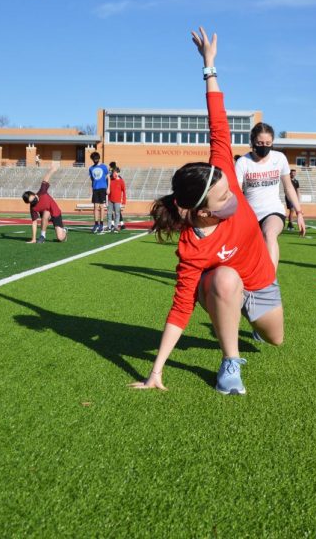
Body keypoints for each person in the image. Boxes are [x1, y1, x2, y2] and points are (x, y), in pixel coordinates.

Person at [129, 27, 284, 396]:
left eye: (229, 190)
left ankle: (238, 319)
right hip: (224, 283)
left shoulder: (222, 171)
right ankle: (229, 363)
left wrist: (209, 66)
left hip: (260, 281)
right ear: (201, 213)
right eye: (223, 199)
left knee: (275, 338)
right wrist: (156, 370)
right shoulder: (190, 247)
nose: (233, 198)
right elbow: (180, 309)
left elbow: (218, 123)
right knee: (225, 278)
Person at [234, 123, 305, 269]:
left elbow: (288, 187)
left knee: (269, 234)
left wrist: (299, 212)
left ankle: (270, 281)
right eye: (260, 143)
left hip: (273, 211)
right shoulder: (243, 162)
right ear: (253, 142)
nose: (264, 146)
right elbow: (236, 192)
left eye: (268, 143)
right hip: (250, 215)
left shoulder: (279, 158)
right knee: (248, 256)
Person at [23, 165, 67, 243]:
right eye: (31, 201)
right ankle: (42, 236)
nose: (33, 201)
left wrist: (52, 170)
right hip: (46, 215)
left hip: (56, 213)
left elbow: (45, 180)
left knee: (60, 238)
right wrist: (33, 239)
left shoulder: (42, 192)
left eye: (33, 199)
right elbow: (34, 222)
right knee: (46, 212)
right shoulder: (33, 207)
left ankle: (64, 230)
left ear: (33, 194)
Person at [88, 152, 109, 233]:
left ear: (99, 158)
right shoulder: (91, 168)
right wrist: (92, 187)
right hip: (95, 189)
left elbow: (108, 177)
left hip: (103, 188)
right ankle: (96, 224)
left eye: (96, 158)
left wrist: (108, 188)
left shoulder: (104, 167)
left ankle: (101, 224)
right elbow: (92, 179)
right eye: (94, 159)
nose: (95, 160)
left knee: (101, 206)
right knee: (95, 207)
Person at [107, 167, 127, 232]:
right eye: (113, 172)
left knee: (117, 214)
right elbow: (107, 189)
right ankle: (109, 226)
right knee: (109, 213)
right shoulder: (110, 180)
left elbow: (124, 192)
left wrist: (124, 202)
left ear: (118, 173)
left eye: (116, 172)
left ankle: (116, 226)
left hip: (117, 200)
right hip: (110, 200)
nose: (114, 174)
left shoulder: (121, 181)